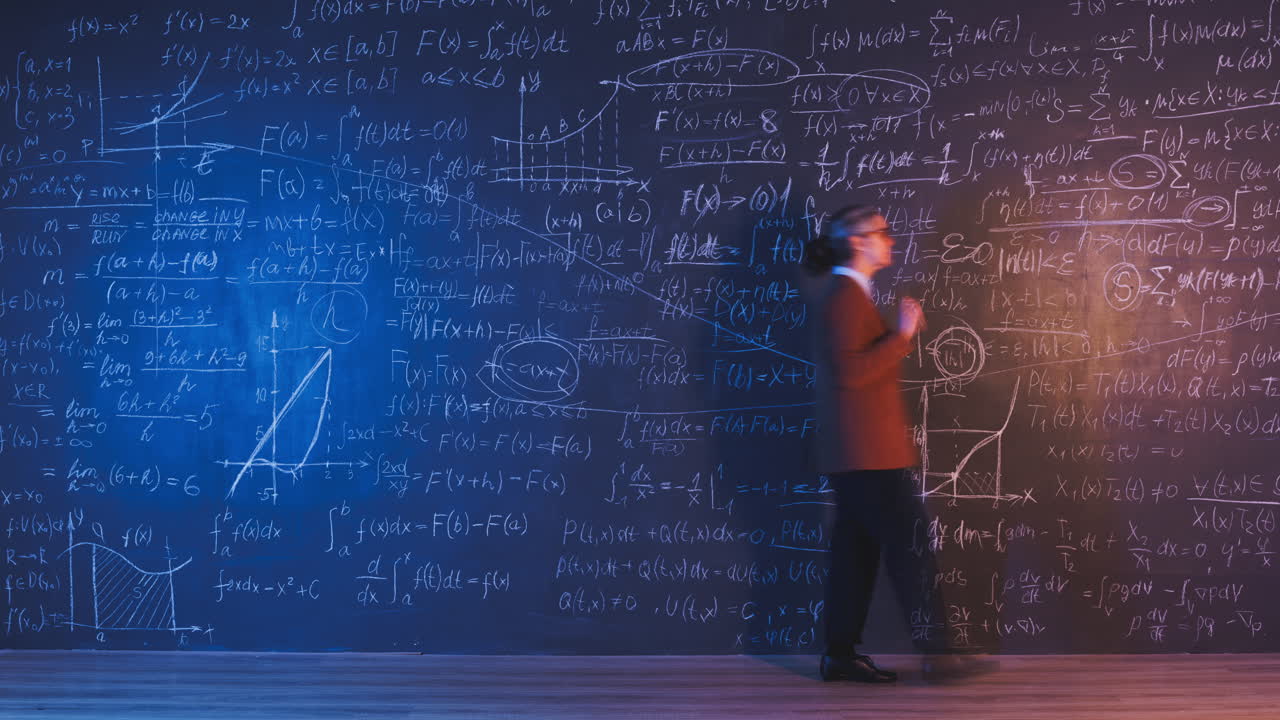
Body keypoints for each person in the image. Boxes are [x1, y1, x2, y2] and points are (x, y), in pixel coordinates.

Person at [805, 204, 992, 684]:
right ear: (858, 242)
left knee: (856, 555)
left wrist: (891, 335)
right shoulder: (845, 296)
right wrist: (902, 336)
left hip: (856, 454)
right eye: (882, 232)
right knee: (911, 551)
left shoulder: (847, 294)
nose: (891, 239)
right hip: (870, 455)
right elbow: (853, 373)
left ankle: (840, 655)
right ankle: (940, 655)